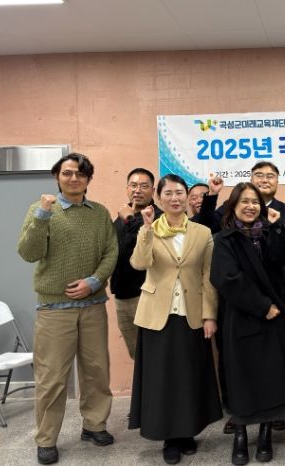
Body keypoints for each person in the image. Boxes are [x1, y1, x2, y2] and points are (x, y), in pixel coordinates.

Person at [17, 153, 118, 465]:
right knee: (52, 377)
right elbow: (28, 252)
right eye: (67, 173)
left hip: (93, 304)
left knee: (97, 371)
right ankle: (46, 439)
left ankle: (94, 425)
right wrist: (42, 215)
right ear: (57, 176)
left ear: (88, 179)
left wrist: (94, 281)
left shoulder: (99, 213)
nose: (74, 178)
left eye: (80, 174)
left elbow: (111, 251)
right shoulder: (40, 210)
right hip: (54, 308)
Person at [210, 182, 285, 465]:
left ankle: (265, 433)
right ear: (233, 206)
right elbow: (227, 279)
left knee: (272, 377)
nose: (251, 206)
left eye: (255, 202)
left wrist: (277, 228)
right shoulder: (224, 239)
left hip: (274, 319)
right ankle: (240, 434)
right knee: (241, 378)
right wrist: (262, 306)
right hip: (242, 317)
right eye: (245, 201)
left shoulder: (267, 233)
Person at [128, 174, 222, 464]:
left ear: (187, 196)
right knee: (162, 378)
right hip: (158, 314)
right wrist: (146, 230)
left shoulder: (202, 232)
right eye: (168, 193)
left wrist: (209, 315)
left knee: (189, 377)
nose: (175, 198)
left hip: (191, 313)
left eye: (179, 192)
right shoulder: (150, 229)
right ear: (158, 198)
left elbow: (208, 276)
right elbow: (139, 263)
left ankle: (187, 431)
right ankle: (169, 437)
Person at [110, 168, 162, 360]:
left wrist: (130, 219)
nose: (137, 190)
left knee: (154, 354)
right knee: (137, 356)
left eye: (143, 186)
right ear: (127, 188)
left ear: (153, 190)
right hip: (122, 297)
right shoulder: (121, 216)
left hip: (146, 296)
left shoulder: (159, 217)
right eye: (133, 185)